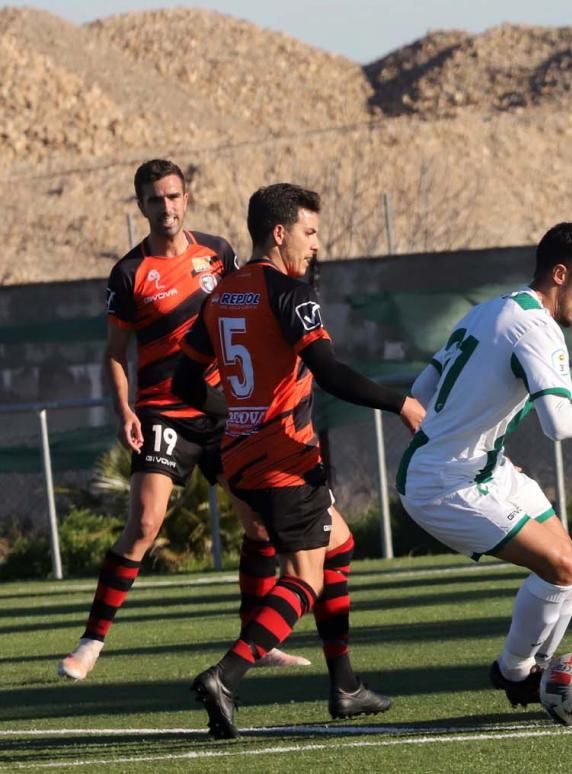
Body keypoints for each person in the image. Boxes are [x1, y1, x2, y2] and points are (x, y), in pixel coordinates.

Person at [174, 182, 425, 739]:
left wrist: (239, 410)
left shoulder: (220, 293)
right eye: (309, 232)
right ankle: (227, 675)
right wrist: (400, 401)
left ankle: (346, 685)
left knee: (339, 544)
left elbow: (185, 381)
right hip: (285, 456)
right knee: (304, 579)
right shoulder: (290, 293)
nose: (316, 244)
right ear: (280, 232)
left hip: (241, 453)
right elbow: (332, 372)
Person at [58, 160, 309, 681]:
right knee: (145, 525)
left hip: (222, 411)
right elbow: (114, 351)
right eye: (155, 200)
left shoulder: (218, 253)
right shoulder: (129, 273)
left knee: (258, 526)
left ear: (186, 198)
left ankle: (254, 642)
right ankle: (91, 642)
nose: (166, 207)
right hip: (164, 409)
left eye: (173, 197)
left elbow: (251, 308)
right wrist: (124, 408)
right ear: (142, 206)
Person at [397, 222, 572, 708]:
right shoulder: (537, 329)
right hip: (445, 485)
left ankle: (542, 674)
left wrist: (473, 443)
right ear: (559, 273)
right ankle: (514, 673)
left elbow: (421, 391)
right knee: (561, 566)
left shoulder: (489, 309)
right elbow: (558, 424)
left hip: (482, 469)